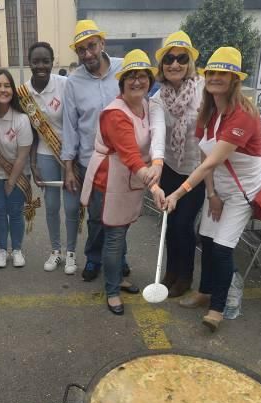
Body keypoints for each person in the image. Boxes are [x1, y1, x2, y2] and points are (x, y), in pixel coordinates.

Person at [163, 47, 261, 333]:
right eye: (212, 72)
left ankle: (218, 306)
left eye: (223, 73)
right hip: (219, 188)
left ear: (235, 79)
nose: (216, 78)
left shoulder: (242, 114)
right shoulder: (207, 113)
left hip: (243, 191)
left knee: (221, 249)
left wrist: (178, 193)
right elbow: (204, 160)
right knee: (206, 240)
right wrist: (211, 195)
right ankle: (205, 291)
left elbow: (213, 161)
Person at [82, 50, 162, 315]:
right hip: (110, 180)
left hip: (131, 179)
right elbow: (129, 153)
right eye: (131, 77)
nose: (137, 82)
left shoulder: (148, 107)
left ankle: (118, 276)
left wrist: (151, 171)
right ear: (122, 82)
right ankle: (112, 289)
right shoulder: (115, 113)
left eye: (142, 76)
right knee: (114, 235)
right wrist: (153, 183)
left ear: (150, 80)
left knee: (122, 230)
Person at [62, 20, 135, 282]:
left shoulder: (123, 68)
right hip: (91, 162)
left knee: (120, 216)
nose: (87, 54)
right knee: (96, 216)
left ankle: (119, 258)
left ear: (102, 43)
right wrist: (69, 167)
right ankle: (94, 258)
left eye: (91, 46)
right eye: (81, 50)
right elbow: (70, 126)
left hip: (124, 161)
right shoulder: (73, 82)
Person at [149, 31, 205, 298]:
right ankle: (170, 271)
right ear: (162, 66)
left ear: (189, 62)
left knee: (184, 224)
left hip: (197, 170)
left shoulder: (203, 90)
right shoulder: (158, 99)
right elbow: (158, 133)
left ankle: (185, 275)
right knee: (169, 223)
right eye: (169, 59)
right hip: (170, 167)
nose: (175, 64)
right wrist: (156, 167)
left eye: (181, 58)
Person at [16, 41, 78, 274]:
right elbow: (28, 130)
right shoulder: (23, 93)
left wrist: (73, 160)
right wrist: (32, 163)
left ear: (52, 62)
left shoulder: (65, 84)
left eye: (45, 61)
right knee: (51, 206)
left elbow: (75, 121)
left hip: (70, 153)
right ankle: (56, 251)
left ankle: (71, 252)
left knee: (72, 207)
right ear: (29, 63)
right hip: (44, 153)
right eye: (36, 61)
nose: (41, 65)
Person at [0, 69, 35, 268]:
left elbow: (23, 155)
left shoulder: (21, 119)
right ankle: (1, 250)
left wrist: (12, 180)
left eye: (7, 86)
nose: (2, 90)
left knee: (15, 212)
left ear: (13, 90)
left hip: (18, 174)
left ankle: (16, 250)